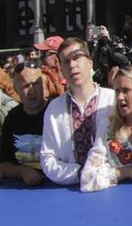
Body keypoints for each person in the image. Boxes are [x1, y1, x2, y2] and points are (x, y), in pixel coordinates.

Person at [40, 38, 114, 185]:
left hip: (110, 183)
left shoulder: (112, 100)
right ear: (61, 68)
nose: (72, 65)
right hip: (71, 191)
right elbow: (48, 160)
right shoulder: (54, 109)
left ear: (90, 62)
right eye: (66, 61)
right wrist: (81, 173)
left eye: (77, 57)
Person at [0, 64, 49, 186]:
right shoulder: (12, 117)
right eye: (26, 86)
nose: (32, 91)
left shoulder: (56, 111)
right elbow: (4, 164)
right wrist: (22, 171)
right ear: (16, 89)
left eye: (36, 83)